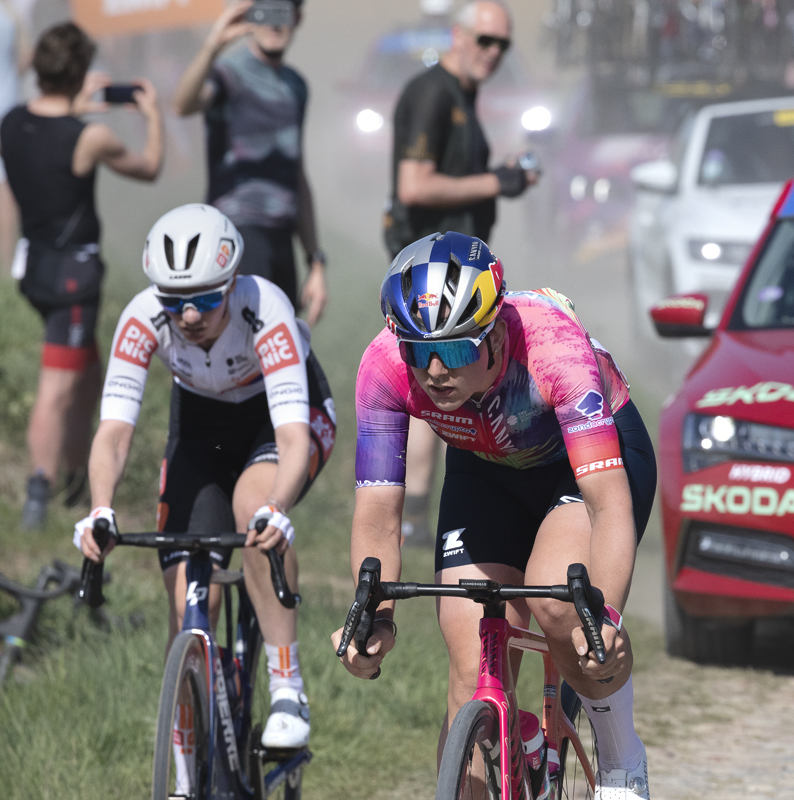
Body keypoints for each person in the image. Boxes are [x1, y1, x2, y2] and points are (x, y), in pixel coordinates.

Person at [333, 232, 656, 799]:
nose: (434, 369)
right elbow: (380, 514)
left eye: (456, 349)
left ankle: (621, 756)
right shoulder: (384, 368)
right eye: (417, 348)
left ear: (496, 334)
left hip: (579, 468)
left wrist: (604, 615)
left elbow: (608, 503)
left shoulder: (554, 348)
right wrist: (373, 617)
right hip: (485, 469)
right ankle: (508, 741)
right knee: (468, 666)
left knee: (561, 610)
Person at [74, 205, 336, 786]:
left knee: (252, 510)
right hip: (199, 427)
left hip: (281, 420)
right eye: (173, 300)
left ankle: (286, 683)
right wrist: (100, 508)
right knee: (186, 599)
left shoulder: (265, 308)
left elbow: (293, 438)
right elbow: (114, 433)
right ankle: (186, 775)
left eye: (205, 300)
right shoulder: (143, 318)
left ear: (232, 284)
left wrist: (278, 508)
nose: (188, 315)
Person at [386, 0, 539, 544]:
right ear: (458, 35)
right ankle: (411, 519)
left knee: (446, 384)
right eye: (484, 40)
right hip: (428, 277)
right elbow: (414, 185)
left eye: (503, 44)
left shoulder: (464, 95)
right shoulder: (431, 92)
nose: (493, 53)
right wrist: (498, 181)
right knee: (429, 384)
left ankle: (422, 515)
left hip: (450, 272)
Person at [2, 22, 163, 529]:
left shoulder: (11, 122)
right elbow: (150, 166)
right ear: (78, 74)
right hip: (74, 274)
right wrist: (152, 116)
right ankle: (39, 488)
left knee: (88, 374)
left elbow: (49, 127)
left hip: (35, 265)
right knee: (58, 385)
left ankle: (75, 475)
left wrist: (77, 102)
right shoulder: (89, 137)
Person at [173, 0, 328, 325]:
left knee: (283, 346)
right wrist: (213, 44)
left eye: (282, 12)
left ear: (297, 18)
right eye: (264, 11)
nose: (274, 24)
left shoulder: (296, 86)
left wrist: (315, 261)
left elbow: (297, 175)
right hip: (238, 229)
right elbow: (183, 105)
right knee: (257, 344)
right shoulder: (229, 72)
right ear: (249, 16)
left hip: (281, 234)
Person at [0, 0, 31, 271]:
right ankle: (6, 262)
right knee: (5, 187)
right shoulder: (9, 12)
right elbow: (25, 59)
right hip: (6, 106)